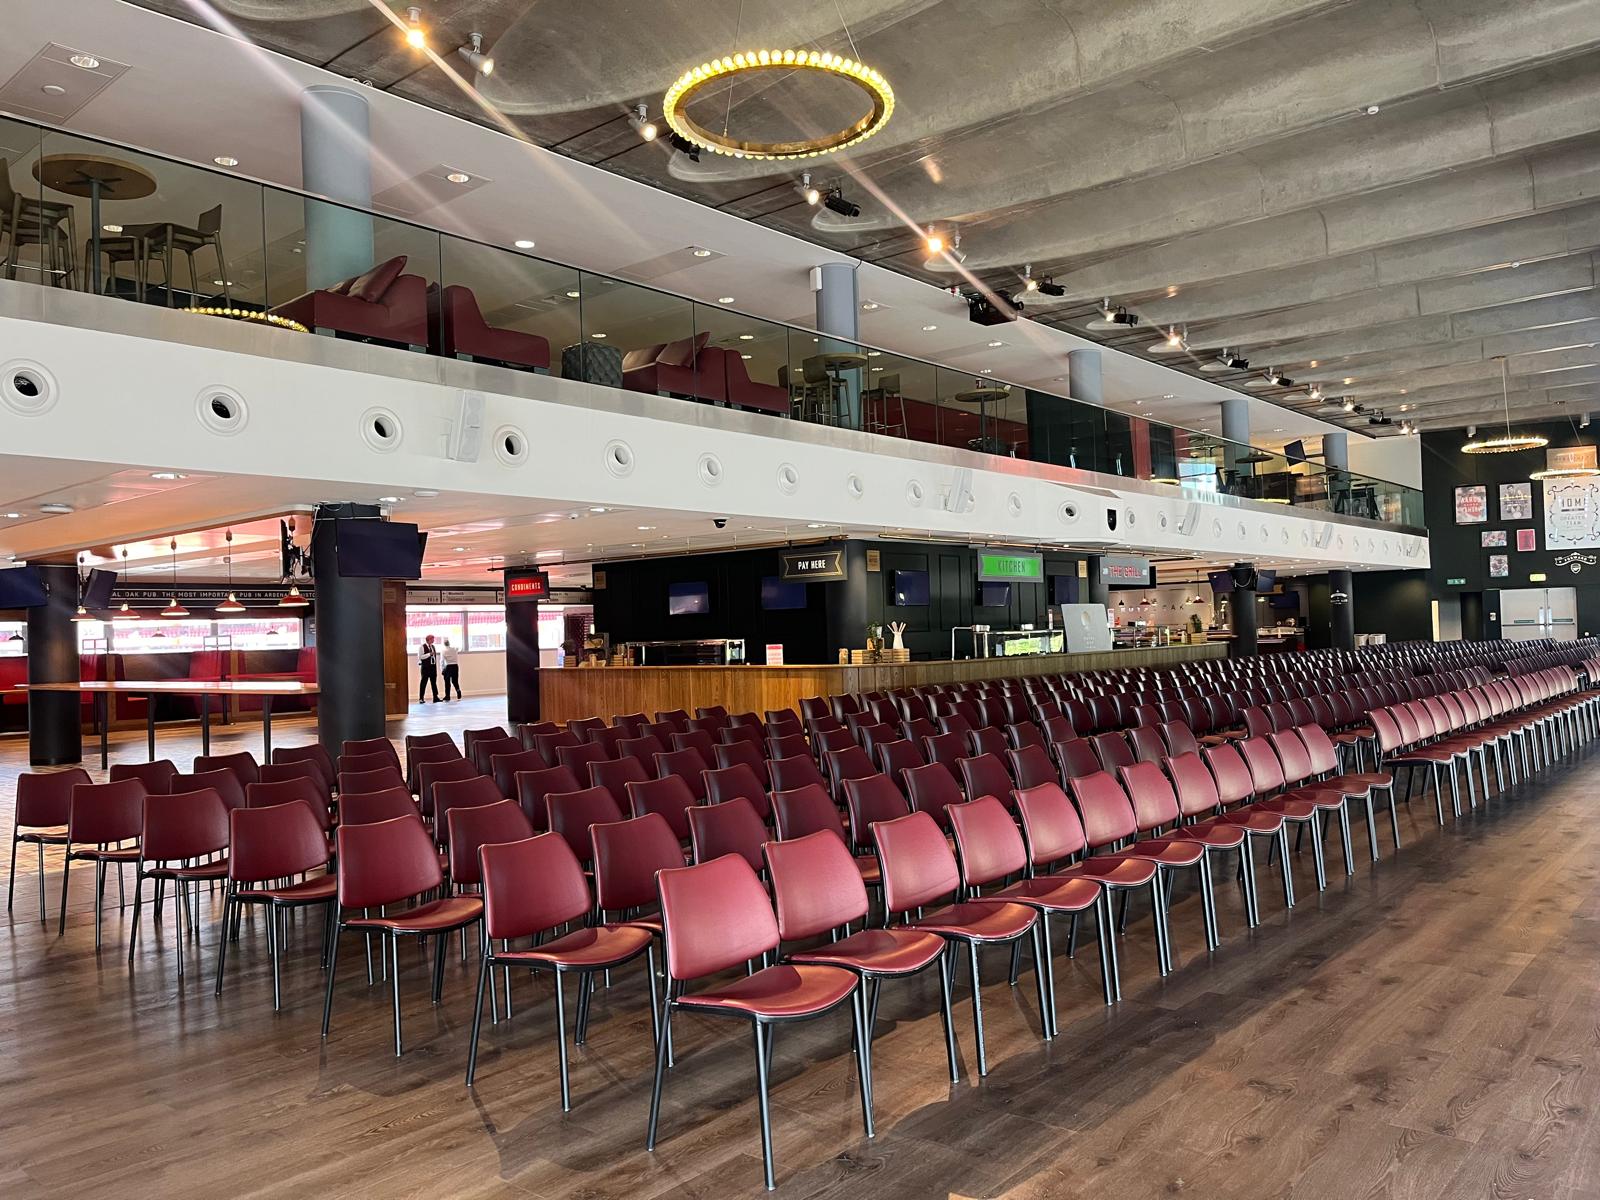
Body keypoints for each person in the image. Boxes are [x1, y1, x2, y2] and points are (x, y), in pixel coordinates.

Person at [417, 634, 440, 703]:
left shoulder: (433, 646)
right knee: (423, 683)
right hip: (426, 668)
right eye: (432, 639)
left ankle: (435, 697)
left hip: (433, 667)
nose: (433, 640)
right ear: (429, 640)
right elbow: (420, 657)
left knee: (434, 683)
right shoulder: (422, 647)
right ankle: (421, 698)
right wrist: (429, 654)